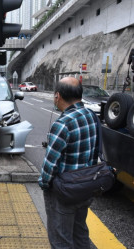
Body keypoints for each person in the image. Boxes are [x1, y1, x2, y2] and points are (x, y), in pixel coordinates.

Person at [38, 77, 99, 249]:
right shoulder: (91, 116)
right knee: (80, 235)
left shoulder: (63, 123)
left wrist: (44, 184)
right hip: (85, 187)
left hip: (64, 193)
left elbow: (49, 167)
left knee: (61, 240)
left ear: (57, 96)